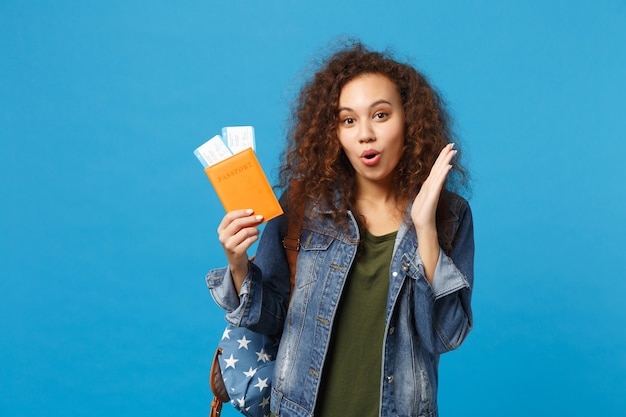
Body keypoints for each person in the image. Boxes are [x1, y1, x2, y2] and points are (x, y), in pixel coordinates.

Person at [207, 41, 474, 417]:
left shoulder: (451, 214)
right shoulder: (301, 208)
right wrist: (237, 263)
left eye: (380, 115)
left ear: (409, 120)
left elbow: (445, 334)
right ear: (334, 133)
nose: (365, 133)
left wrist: (425, 228)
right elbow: (270, 317)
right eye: (348, 120)